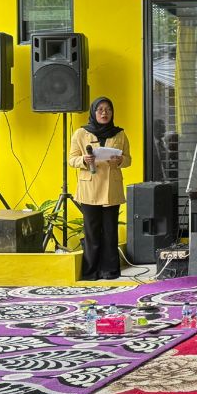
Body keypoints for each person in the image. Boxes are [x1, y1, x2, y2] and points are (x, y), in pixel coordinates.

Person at [68, 96, 132, 280]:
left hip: (111, 188)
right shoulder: (81, 133)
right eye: (100, 110)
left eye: (108, 110)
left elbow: (128, 159)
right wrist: (83, 160)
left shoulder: (120, 134)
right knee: (92, 232)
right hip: (90, 188)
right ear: (94, 112)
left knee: (110, 231)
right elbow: (71, 159)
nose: (105, 113)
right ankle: (91, 272)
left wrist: (120, 160)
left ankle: (110, 271)